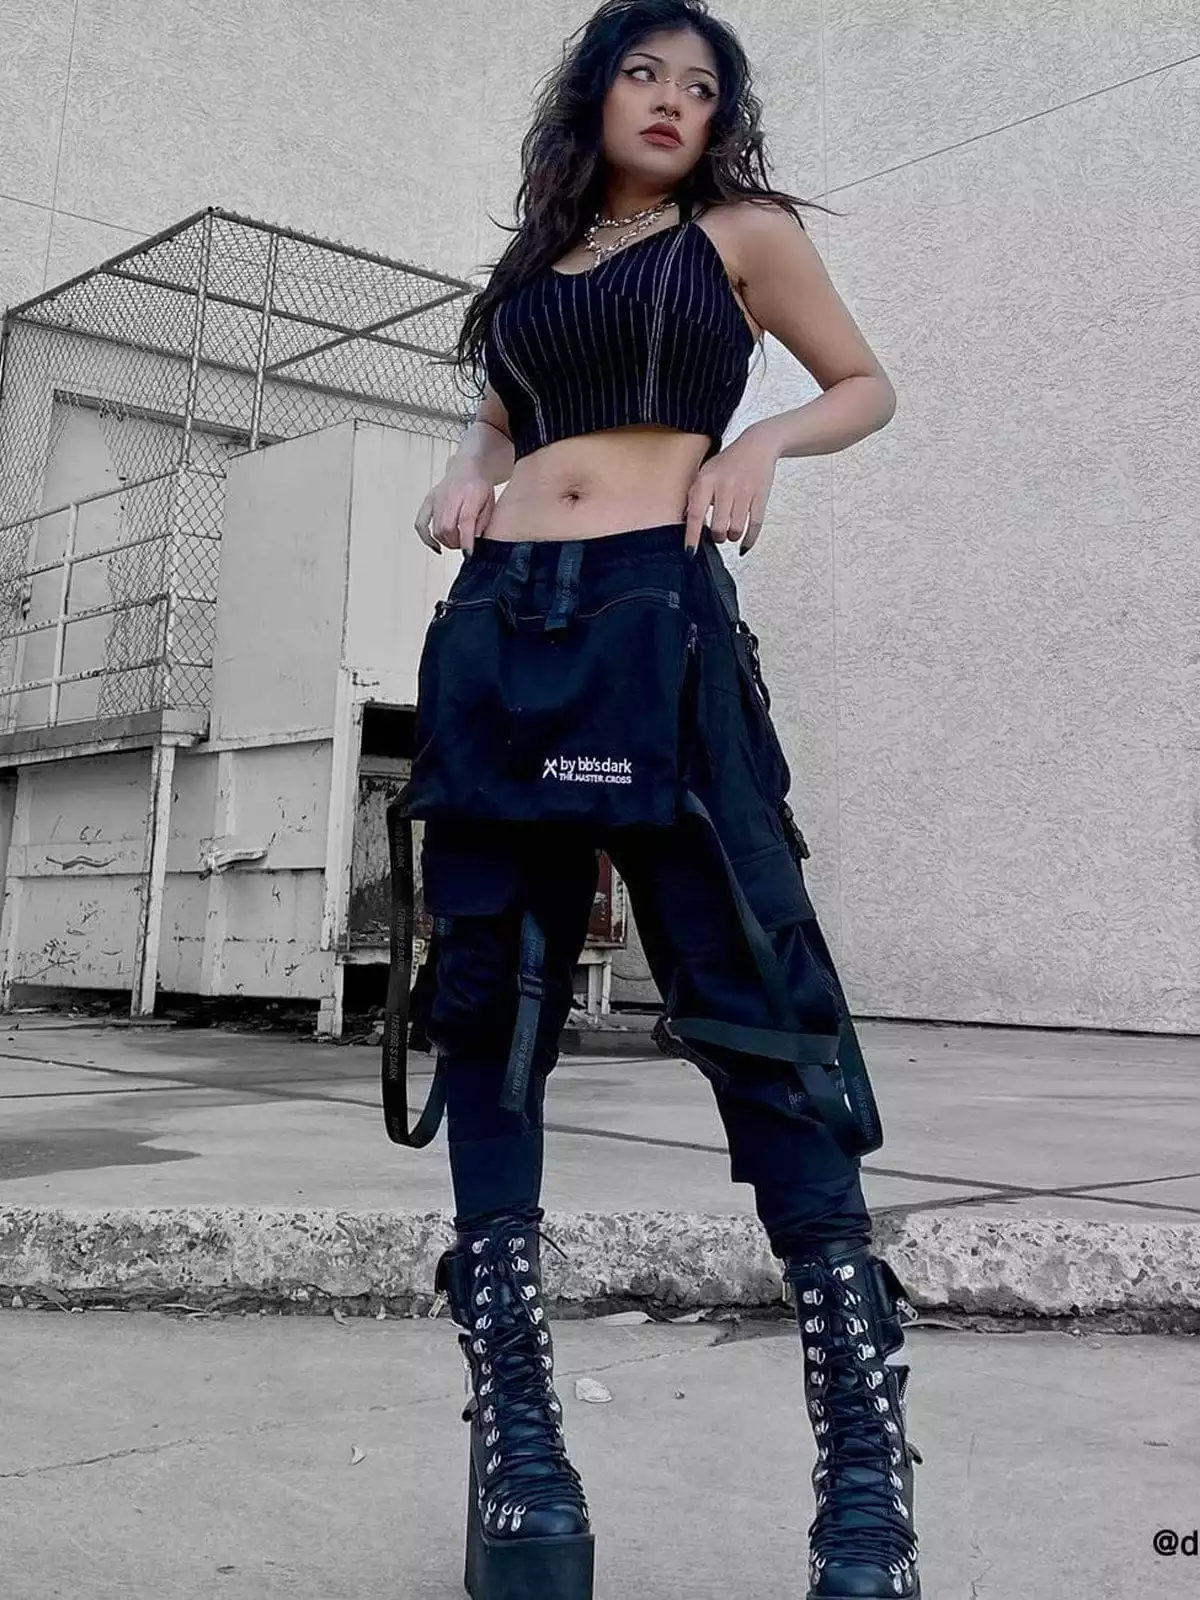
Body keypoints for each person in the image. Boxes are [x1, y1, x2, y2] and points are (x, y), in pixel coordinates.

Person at [385, 3, 924, 1597]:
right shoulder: (534, 270)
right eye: (646, 72)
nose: (674, 100)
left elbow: (866, 383)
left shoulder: (739, 236)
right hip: (501, 620)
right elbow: (506, 410)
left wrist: (762, 447)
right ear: (595, 93)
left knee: (754, 980)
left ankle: (865, 1478)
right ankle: (523, 1450)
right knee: (489, 997)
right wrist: (467, 466)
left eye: (702, 85)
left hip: (656, 613)